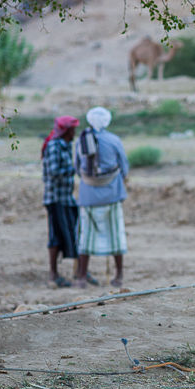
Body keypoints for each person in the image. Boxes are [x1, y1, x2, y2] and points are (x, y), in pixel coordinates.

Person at [73, 107, 130, 288]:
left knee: (86, 236)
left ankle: (82, 276)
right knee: (115, 234)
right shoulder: (114, 140)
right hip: (112, 194)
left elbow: (77, 168)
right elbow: (124, 167)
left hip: (88, 195)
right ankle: (119, 275)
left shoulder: (80, 141)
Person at [41, 115, 80, 288]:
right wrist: (74, 169)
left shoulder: (65, 145)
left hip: (65, 198)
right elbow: (54, 171)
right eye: (73, 129)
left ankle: (78, 272)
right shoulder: (54, 146)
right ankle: (53, 274)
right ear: (67, 130)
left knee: (70, 233)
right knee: (55, 236)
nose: (75, 132)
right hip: (56, 198)